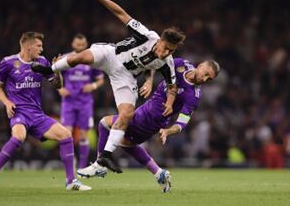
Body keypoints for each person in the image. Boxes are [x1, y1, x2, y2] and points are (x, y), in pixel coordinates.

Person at [31, 0, 186, 173]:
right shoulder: (147, 36)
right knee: (81, 57)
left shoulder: (167, 63)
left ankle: (105, 156)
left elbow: (172, 86)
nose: (166, 53)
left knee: (126, 114)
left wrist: (170, 102)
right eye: (165, 48)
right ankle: (50, 70)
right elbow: (121, 14)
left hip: (125, 76)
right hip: (112, 55)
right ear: (161, 40)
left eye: (171, 51)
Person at [77, 58, 220, 192]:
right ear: (200, 66)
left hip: (151, 119)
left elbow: (182, 122)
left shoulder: (193, 96)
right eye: (206, 74)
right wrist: (149, 81)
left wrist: (168, 131)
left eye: (209, 79)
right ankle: (159, 173)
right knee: (126, 144)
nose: (205, 79)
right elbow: (155, 63)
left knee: (105, 123)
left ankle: (99, 165)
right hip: (145, 110)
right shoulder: (181, 64)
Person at [0, 32, 91, 191]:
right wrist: (6, 102)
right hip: (19, 112)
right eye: (39, 46)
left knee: (66, 135)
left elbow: (57, 85)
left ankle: (71, 181)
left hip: (38, 115)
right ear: (28, 46)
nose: (42, 49)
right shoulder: (8, 63)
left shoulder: (42, 61)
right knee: (18, 136)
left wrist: (57, 69)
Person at [59, 33, 104, 169]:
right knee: (66, 133)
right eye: (77, 44)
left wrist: (93, 86)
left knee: (84, 135)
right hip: (68, 102)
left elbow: (101, 80)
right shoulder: (66, 58)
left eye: (82, 44)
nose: (80, 46)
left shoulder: (91, 60)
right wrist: (60, 88)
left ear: (86, 45)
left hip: (85, 102)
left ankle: (82, 167)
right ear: (73, 45)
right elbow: (56, 75)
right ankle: (70, 164)